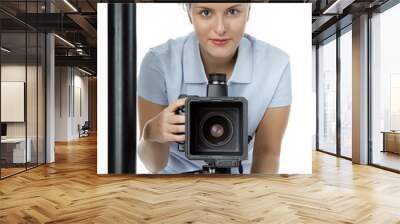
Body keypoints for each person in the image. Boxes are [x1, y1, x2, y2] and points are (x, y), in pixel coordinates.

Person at [137, 3, 291, 174]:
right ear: (189, 14)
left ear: (248, 11)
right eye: (206, 12)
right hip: (175, 181)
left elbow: (267, 155)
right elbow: (154, 165)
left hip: (239, 179)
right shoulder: (159, 62)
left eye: (232, 12)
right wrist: (151, 133)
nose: (220, 28)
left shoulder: (275, 64)